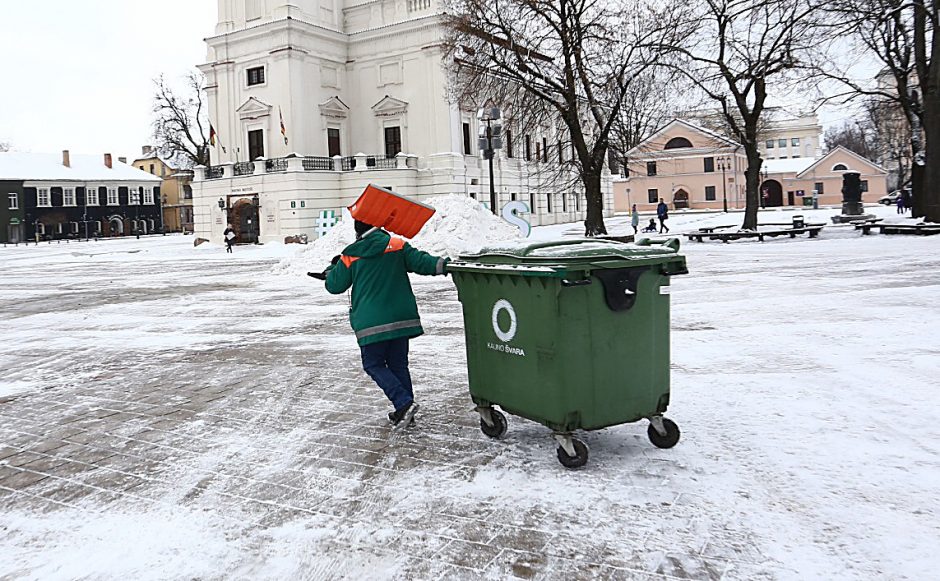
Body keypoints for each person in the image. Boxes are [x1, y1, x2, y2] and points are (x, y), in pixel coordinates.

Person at [322, 219, 449, 427]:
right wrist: (444, 265)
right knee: (398, 364)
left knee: (373, 364)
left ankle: (403, 403)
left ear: (357, 231)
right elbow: (422, 262)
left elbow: (335, 285)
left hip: (371, 323)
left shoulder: (351, 255)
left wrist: (331, 268)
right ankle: (405, 412)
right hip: (401, 318)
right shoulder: (397, 246)